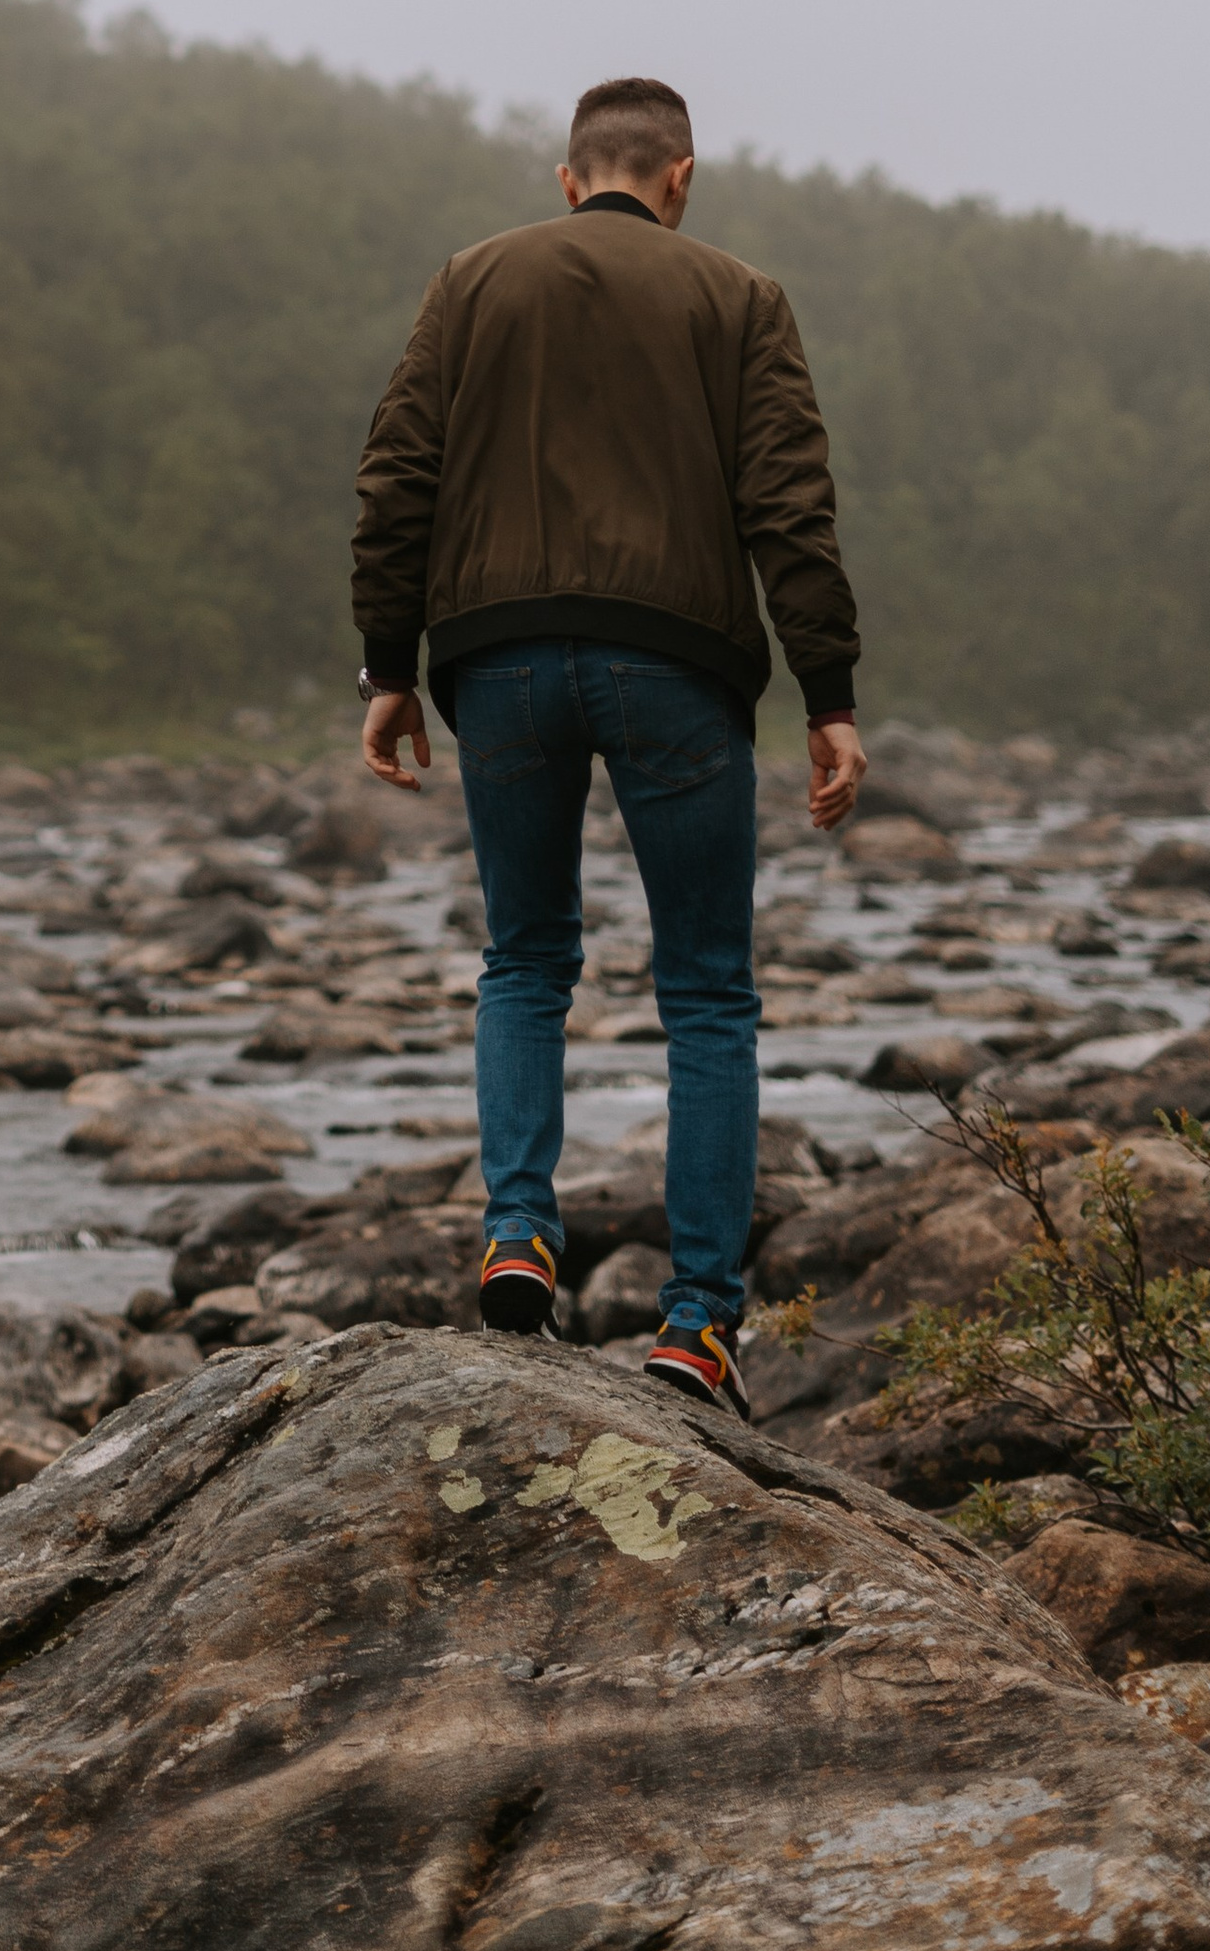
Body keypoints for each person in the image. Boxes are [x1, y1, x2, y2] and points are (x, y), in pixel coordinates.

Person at [349, 75, 864, 1412]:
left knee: (523, 959)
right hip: (677, 666)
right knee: (706, 992)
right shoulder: (738, 298)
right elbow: (789, 507)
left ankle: (519, 1232)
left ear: (570, 178)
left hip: (499, 658)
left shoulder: (472, 281)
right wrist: (829, 695)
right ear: (681, 177)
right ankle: (695, 1326)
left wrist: (388, 667)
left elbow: (394, 477)